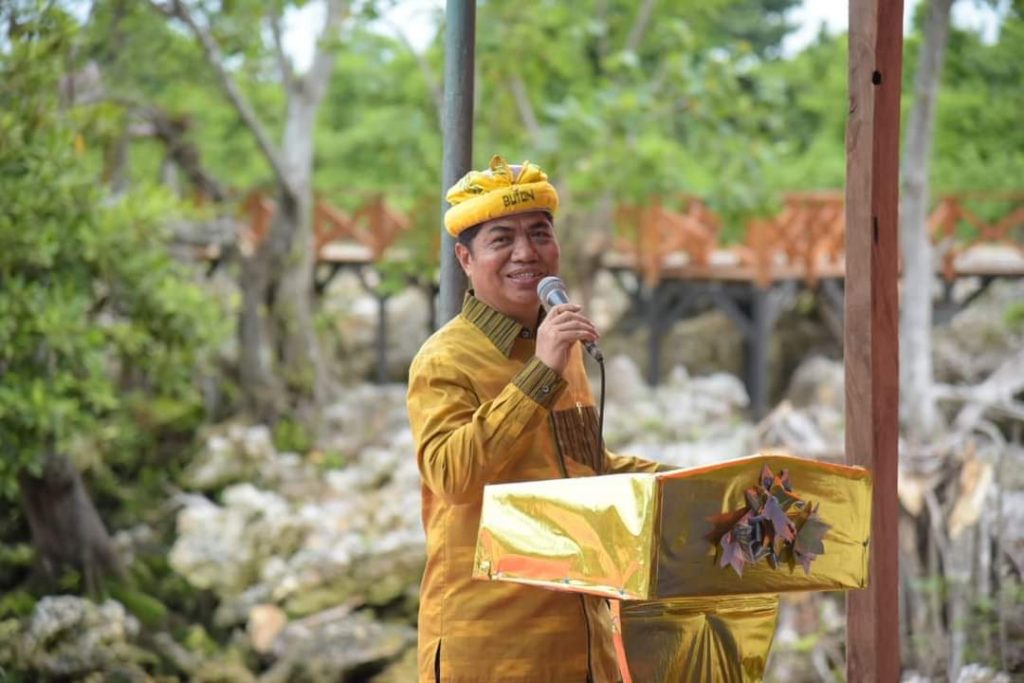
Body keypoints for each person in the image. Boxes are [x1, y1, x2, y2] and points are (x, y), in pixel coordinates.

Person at [406, 155, 664, 682]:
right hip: (495, 645)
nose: (527, 253)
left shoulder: (561, 346)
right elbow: (452, 476)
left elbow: (579, 469)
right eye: (502, 239)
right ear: (465, 258)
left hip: (584, 640)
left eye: (540, 234)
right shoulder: (443, 360)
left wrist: (681, 484)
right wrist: (539, 373)